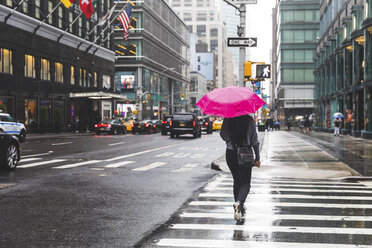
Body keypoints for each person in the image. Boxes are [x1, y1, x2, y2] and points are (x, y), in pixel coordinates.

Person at [220, 114, 261, 222]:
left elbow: (222, 135)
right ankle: (239, 203)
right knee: (245, 183)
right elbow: (254, 141)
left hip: (231, 153)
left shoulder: (228, 118)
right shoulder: (249, 120)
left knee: (237, 181)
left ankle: (239, 208)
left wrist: (230, 141)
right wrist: (257, 157)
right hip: (245, 153)